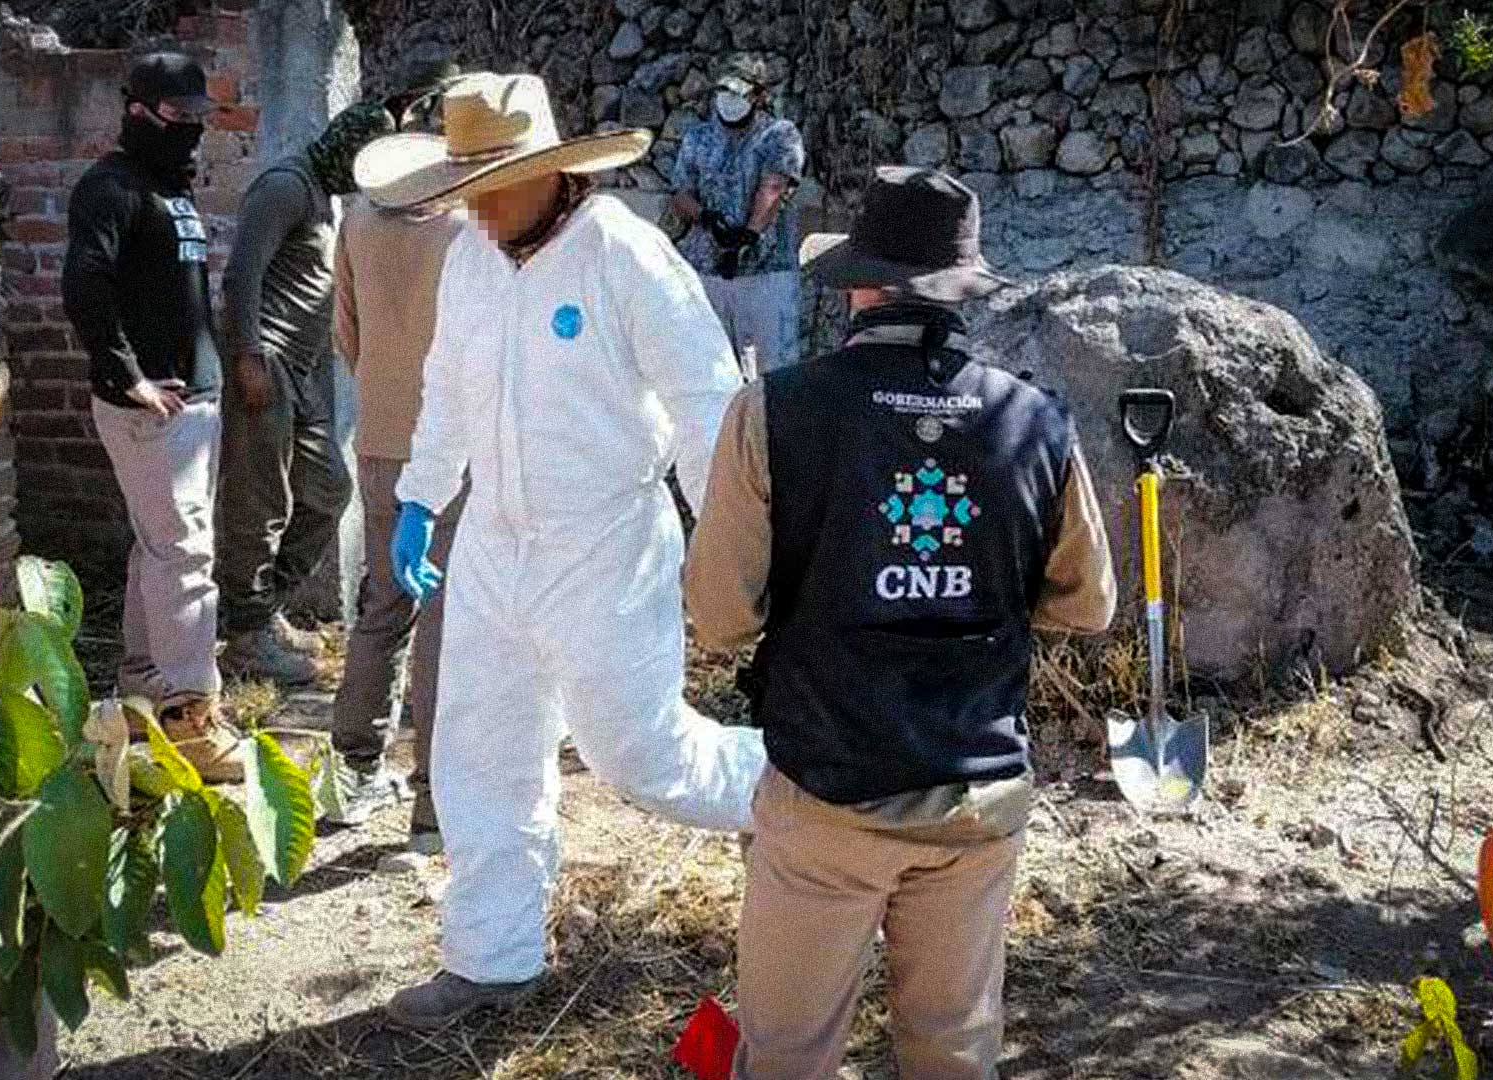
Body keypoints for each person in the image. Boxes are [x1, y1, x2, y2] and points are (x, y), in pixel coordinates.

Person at [684, 166, 1117, 1079]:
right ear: (959, 292)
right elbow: (1090, 604)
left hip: (827, 792)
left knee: (789, 1055)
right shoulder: (1036, 421)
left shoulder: (774, 410)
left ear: (860, 287)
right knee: (954, 1051)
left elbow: (719, 619)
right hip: (978, 793)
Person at [354, 71, 767, 1029]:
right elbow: (446, 389)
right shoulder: (470, 257)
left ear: (551, 173)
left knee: (643, 758)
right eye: (465, 189)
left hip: (606, 543)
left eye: (492, 188)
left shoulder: (624, 253)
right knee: (478, 752)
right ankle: (491, 957)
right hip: (493, 542)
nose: (477, 209)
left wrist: (732, 544)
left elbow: (708, 403)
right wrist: (420, 498)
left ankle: (801, 792)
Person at [63, 52, 242, 781]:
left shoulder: (170, 186)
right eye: (178, 116)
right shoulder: (110, 188)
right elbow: (84, 283)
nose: (192, 129)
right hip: (153, 409)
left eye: (200, 116)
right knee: (185, 555)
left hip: (195, 399)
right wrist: (126, 375)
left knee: (159, 548)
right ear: (137, 112)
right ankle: (191, 718)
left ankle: (141, 689)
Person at [327, 63, 465, 851]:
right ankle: (433, 803)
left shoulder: (357, 220)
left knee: (382, 606)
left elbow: (345, 334)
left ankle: (350, 770)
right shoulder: (468, 232)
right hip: (454, 447)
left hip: (381, 437)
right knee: (445, 620)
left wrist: (383, 390)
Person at [214, 103, 395, 684]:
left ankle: (264, 607)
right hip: (265, 363)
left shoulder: (325, 195)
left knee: (327, 489)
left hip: (300, 371)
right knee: (260, 504)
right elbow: (241, 275)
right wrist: (247, 356)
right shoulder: (285, 187)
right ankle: (246, 636)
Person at [668, 56, 806, 378]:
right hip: (709, 274)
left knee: (776, 373)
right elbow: (681, 192)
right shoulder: (698, 137)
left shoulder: (779, 135)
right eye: (724, 91)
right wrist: (706, 218)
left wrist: (747, 238)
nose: (729, 100)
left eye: (739, 93)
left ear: (758, 96)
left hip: (767, 274)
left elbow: (773, 187)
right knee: (711, 371)